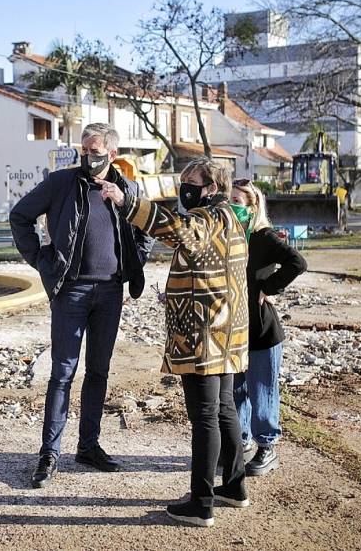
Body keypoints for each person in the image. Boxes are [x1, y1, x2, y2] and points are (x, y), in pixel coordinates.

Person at [98, 157, 249, 528]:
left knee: (205, 417)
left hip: (204, 334)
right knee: (225, 409)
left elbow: (177, 229)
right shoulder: (232, 216)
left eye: (191, 182)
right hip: (228, 330)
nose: (184, 188)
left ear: (211, 187)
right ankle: (234, 486)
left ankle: (201, 503)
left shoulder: (207, 218)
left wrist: (126, 201)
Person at [9, 123, 153, 489]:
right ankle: (49, 453)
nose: (88, 157)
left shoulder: (128, 189)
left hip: (110, 294)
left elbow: (145, 228)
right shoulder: (61, 183)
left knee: (99, 371)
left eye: (95, 150)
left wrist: (135, 260)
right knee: (62, 373)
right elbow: (20, 215)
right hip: (71, 292)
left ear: (112, 154)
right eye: (84, 150)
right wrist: (41, 259)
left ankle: (88, 446)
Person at [230, 179, 306, 476]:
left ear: (253, 206)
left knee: (263, 391)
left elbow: (297, 262)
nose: (232, 205)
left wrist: (268, 287)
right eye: (230, 198)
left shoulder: (264, 237)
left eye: (239, 200)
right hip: (235, 330)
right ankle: (241, 441)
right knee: (237, 391)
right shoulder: (232, 237)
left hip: (262, 330)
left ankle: (267, 447)